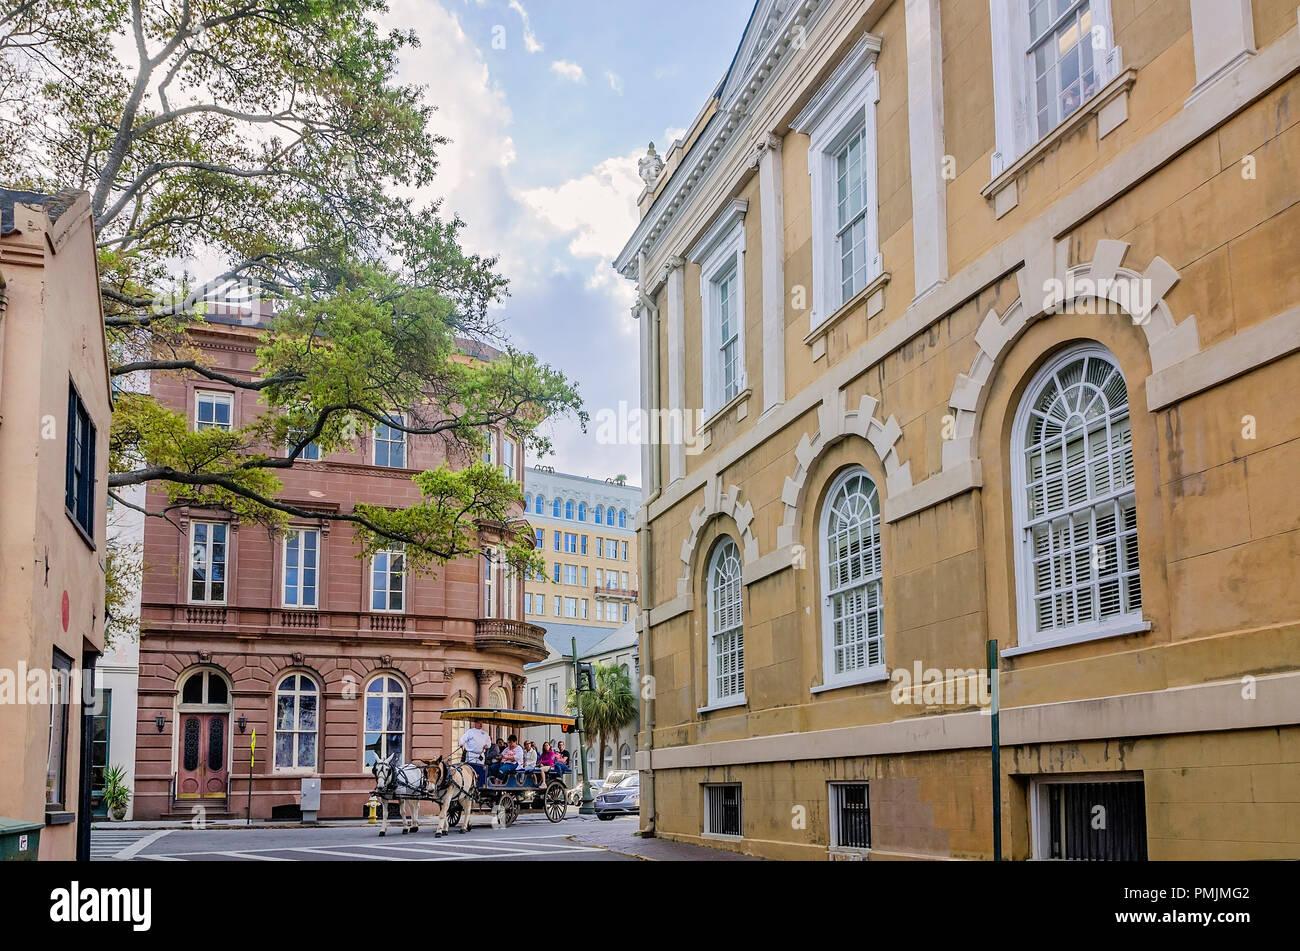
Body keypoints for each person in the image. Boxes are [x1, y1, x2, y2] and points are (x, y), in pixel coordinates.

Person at [459, 719, 490, 786]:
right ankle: (470, 783)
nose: (480, 724)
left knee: (480, 769)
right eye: (479, 723)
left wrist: (487, 745)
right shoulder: (470, 732)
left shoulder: (485, 733)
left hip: (480, 755)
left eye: (481, 723)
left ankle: (480, 784)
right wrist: (461, 743)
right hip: (471, 754)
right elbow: (463, 738)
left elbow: (489, 742)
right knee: (470, 768)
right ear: (475, 723)